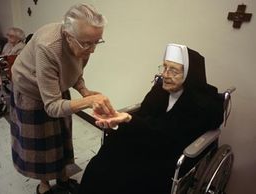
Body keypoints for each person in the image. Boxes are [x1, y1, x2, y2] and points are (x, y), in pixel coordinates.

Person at [78, 43, 224, 194]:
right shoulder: (160, 90)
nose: (166, 75)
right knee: (104, 159)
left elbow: (171, 133)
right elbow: (144, 116)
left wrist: (129, 119)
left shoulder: (202, 103)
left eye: (174, 70)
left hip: (170, 153)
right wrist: (119, 120)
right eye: (164, 67)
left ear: (189, 74)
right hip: (149, 140)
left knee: (127, 178)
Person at [10, 3, 115, 194]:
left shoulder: (84, 40)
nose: (92, 50)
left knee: (61, 135)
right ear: (68, 35)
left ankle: (63, 178)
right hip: (30, 89)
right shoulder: (48, 47)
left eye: (97, 42)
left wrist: (84, 91)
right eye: (87, 43)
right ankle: (43, 185)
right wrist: (90, 101)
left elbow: (75, 70)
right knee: (41, 142)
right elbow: (51, 106)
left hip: (53, 86)